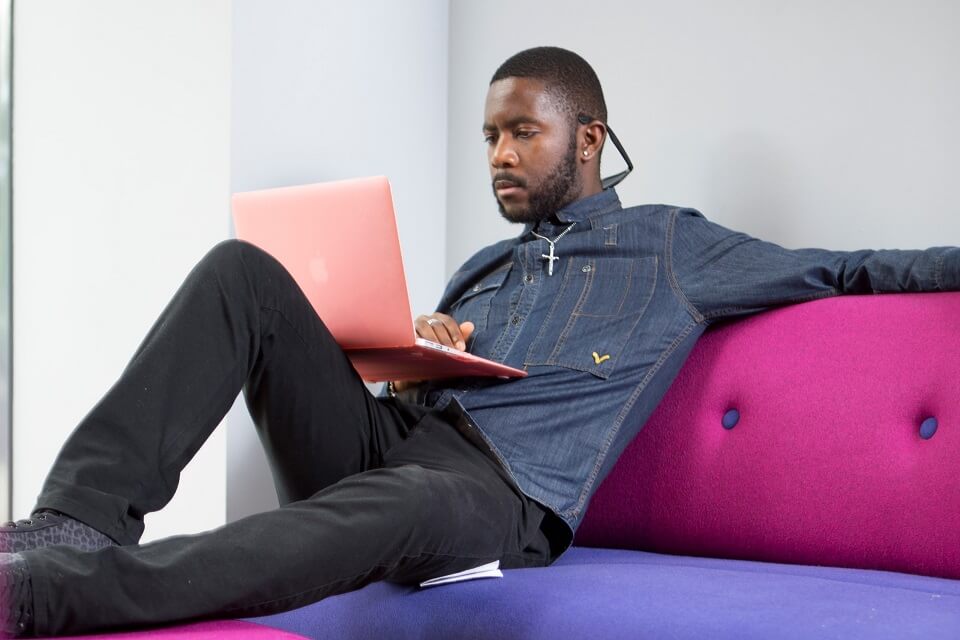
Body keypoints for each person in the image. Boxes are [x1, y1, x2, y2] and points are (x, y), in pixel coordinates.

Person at [1, 46, 957, 638]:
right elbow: (404, 405)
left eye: (521, 134)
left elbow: (848, 268)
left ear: (589, 138)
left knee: (406, 498)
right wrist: (418, 349)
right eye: (490, 134)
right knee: (241, 272)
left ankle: (52, 592)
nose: (498, 154)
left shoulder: (671, 245)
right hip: (394, 443)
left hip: (494, 499)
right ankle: (74, 520)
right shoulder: (484, 267)